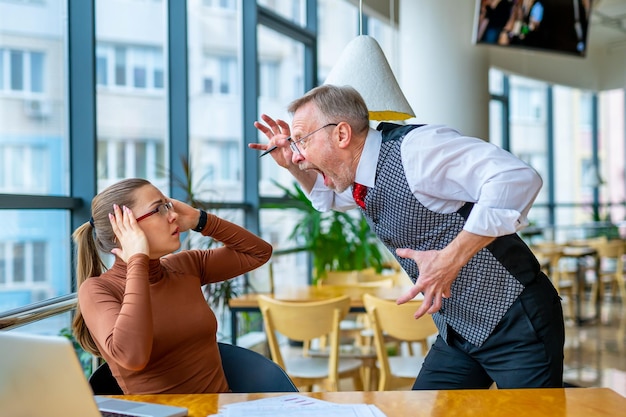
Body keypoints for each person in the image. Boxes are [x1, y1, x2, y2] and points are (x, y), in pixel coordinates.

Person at [250, 84, 564, 390]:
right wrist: (292, 164)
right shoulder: (360, 176)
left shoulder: (418, 150)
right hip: (458, 331)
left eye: (302, 141)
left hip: (517, 322)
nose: (299, 156)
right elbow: (328, 198)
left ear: (341, 134)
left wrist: (450, 258)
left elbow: (516, 178)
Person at [71, 178, 272, 394]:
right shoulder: (97, 290)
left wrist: (199, 219)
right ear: (122, 231)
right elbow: (133, 356)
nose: (173, 214)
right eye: (158, 209)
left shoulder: (186, 265)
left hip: (221, 411)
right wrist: (137, 259)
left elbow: (259, 253)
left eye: (167, 205)